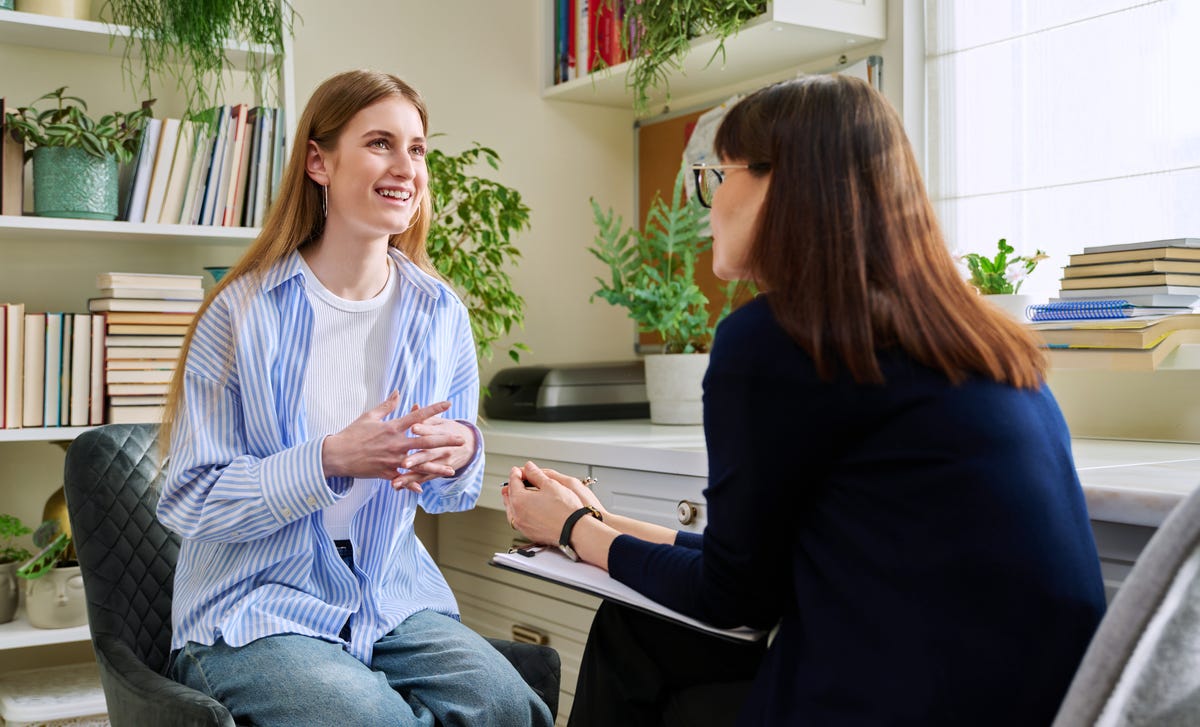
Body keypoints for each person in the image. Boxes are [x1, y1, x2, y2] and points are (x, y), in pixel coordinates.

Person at [504, 74, 1106, 726]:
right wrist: (602, 521)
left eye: (718, 174)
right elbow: (759, 566)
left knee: (637, 639)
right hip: (1044, 703)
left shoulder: (775, 341)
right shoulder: (979, 340)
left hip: (907, 701)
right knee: (646, 633)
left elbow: (731, 598)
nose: (705, 202)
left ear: (781, 184)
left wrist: (570, 530)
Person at [157, 70, 552, 727]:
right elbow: (190, 498)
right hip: (253, 600)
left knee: (508, 706)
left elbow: (448, 495)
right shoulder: (240, 311)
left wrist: (461, 453)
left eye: (418, 149)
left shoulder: (440, 312)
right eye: (380, 143)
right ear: (320, 161)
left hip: (388, 590)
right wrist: (330, 458)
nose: (407, 167)